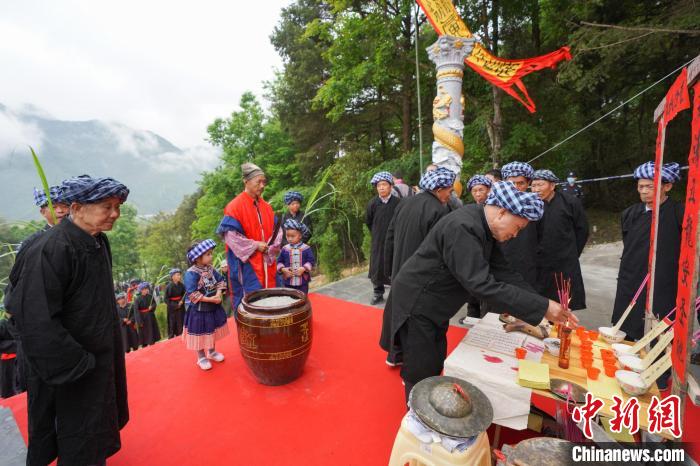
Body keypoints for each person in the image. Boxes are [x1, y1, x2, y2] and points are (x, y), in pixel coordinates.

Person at [381, 181, 576, 400]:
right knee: (421, 366)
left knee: (433, 358)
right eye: (518, 227)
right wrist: (542, 307)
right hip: (417, 302)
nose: (515, 234)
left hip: (436, 303)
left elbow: (504, 272)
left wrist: (542, 303)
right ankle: (417, 417)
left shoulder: (483, 226)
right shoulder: (463, 227)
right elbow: (481, 284)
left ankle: (426, 402)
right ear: (502, 212)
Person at [6, 174, 130, 465]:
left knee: (93, 429)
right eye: (107, 206)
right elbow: (34, 317)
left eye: (118, 206)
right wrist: (78, 363)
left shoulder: (98, 240)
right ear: (76, 208)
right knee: (75, 432)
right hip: (71, 365)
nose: (115, 214)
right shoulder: (50, 249)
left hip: (97, 358)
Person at [381, 167, 455, 366]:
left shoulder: (405, 202)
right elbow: (441, 249)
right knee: (415, 321)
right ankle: (413, 366)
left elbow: (390, 236)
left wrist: (388, 268)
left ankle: (394, 355)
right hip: (420, 274)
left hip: (399, 268)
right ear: (439, 190)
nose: (451, 194)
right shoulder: (440, 210)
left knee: (397, 311)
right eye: (450, 190)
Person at [612, 162, 684, 341]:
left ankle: (658, 367)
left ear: (667, 186)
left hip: (663, 281)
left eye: (649, 187)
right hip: (631, 277)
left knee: (659, 330)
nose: (643, 191)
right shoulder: (630, 213)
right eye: (640, 186)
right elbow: (628, 243)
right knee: (624, 328)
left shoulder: (679, 213)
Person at [217, 163, 282, 313]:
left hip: (267, 262)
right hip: (246, 265)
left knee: (272, 297)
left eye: (263, 181)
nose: (262, 185)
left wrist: (271, 246)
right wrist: (255, 245)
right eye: (258, 181)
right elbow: (231, 237)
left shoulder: (267, 207)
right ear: (246, 181)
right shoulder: (234, 207)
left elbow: (277, 232)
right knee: (251, 302)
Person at [531, 169, 589, 310]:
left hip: (565, 261)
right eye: (533, 185)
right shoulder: (530, 204)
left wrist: (573, 253)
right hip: (539, 261)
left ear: (552, 185)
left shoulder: (570, 202)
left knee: (564, 302)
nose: (536, 189)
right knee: (540, 302)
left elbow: (582, 229)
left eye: (540, 185)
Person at [183, 239, 230, 371]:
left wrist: (219, 294)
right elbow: (192, 294)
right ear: (198, 258)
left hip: (212, 307)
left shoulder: (210, 268)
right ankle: (201, 357)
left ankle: (212, 351)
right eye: (208, 254)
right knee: (199, 332)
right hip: (199, 310)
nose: (211, 256)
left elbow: (220, 281)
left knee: (211, 330)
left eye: (211, 253)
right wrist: (211, 299)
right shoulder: (191, 273)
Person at [500, 161, 539, 287]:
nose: (515, 187)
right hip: (500, 267)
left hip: (530, 267)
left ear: (528, 184)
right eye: (511, 183)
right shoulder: (492, 206)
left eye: (520, 183)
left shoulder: (536, 207)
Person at [366, 171, 400, 305]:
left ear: (391, 186)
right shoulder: (372, 203)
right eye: (379, 185)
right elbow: (368, 221)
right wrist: (376, 233)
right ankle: (378, 292)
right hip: (378, 241)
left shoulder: (398, 202)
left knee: (394, 264)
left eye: (384, 184)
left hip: (394, 240)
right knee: (377, 267)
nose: (381, 187)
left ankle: (396, 294)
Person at [277, 219, 316, 294]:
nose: (290, 238)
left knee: (302, 298)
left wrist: (304, 268)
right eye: (287, 236)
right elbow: (279, 262)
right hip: (288, 282)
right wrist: (283, 269)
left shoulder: (306, 248)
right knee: (289, 299)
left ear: (300, 236)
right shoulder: (285, 249)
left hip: (303, 283)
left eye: (293, 236)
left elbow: (311, 261)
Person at [132, 282, 160, 347]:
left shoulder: (150, 296)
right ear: (141, 290)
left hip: (150, 317)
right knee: (144, 334)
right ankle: (144, 345)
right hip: (142, 318)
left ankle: (152, 343)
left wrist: (152, 307)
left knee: (151, 332)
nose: (145, 290)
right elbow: (136, 311)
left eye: (146, 289)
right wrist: (139, 322)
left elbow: (154, 304)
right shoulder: (137, 299)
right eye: (143, 289)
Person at [164, 268, 186, 339]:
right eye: (177, 275)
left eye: (180, 275)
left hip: (181, 305)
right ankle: (172, 336)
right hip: (172, 308)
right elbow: (166, 299)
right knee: (173, 322)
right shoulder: (168, 287)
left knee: (181, 320)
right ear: (172, 277)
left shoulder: (182, 285)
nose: (179, 276)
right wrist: (175, 305)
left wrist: (182, 301)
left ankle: (182, 333)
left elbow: (184, 294)